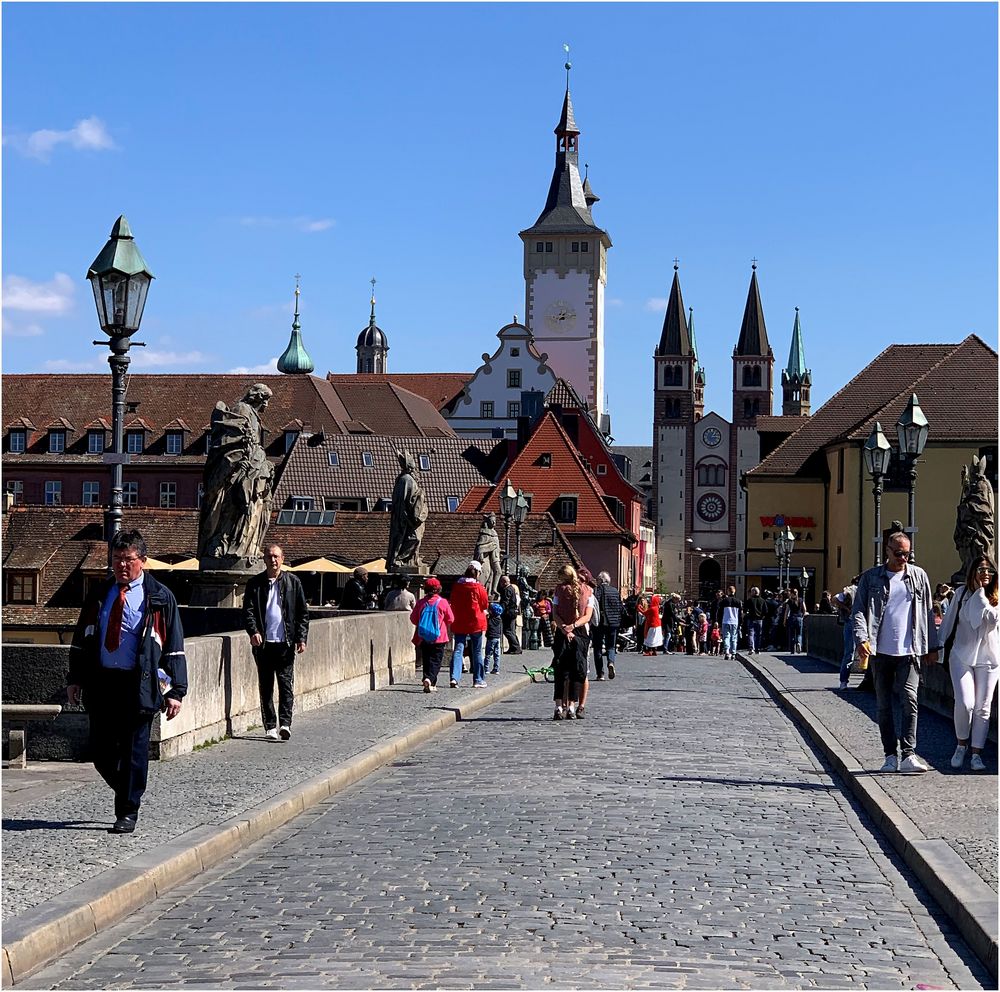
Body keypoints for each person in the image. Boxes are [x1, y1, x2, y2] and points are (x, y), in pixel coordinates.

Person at [67, 530, 187, 834]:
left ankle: (127, 811)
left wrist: (175, 691)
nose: (122, 565)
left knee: (135, 749)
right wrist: (75, 678)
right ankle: (128, 788)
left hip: (141, 682)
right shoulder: (100, 594)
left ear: (142, 561)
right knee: (100, 750)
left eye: (128, 559)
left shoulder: (160, 597)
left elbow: (173, 646)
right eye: (117, 559)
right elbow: (82, 640)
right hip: (103, 681)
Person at [852, 532, 939, 774]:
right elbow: (858, 611)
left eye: (907, 553)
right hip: (880, 651)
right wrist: (862, 638)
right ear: (887, 551)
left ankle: (909, 754)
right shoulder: (871, 578)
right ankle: (890, 755)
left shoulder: (918, 576)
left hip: (910, 650)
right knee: (883, 704)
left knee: (910, 698)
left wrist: (932, 647)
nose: (903, 558)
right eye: (898, 553)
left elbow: (927, 613)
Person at [198, 383, 275, 564]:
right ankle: (226, 542)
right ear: (257, 397)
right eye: (266, 400)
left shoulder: (254, 414)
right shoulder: (242, 409)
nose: (267, 405)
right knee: (237, 504)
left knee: (255, 505)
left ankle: (247, 545)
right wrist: (245, 457)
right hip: (241, 468)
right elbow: (235, 438)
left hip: (255, 466)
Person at [937, 556, 999, 771]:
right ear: (972, 571)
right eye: (981, 569)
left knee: (983, 707)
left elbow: (992, 622)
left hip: (989, 659)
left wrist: (982, 595)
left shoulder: (996, 598)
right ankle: (961, 745)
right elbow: (948, 623)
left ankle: (976, 754)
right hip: (961, 655)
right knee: (965, 703)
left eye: (990, 570)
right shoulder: (961, 594)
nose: (985, 573)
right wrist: (936, 647)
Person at [243, 544, 309, 742]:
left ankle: (285, 724)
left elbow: (302, 613)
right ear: (264, 559)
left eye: (276, 556)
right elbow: (248, 611)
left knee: (286, 684)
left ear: (282, 559)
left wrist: (301, 637)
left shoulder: (293, 582)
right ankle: (270, 726)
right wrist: (253, 631)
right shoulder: (255, 583)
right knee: (266, 686)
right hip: (263, 644)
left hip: (285, 643)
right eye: (270, 556)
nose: (273, 560)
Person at [550, 565, 594, 720]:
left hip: (563, 632)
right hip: (580, 633)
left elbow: (554, 613)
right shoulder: (588, 591)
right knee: (577, 671)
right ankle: (571, 707)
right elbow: (588, 616)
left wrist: (565, 629)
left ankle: (558, 707)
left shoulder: (559, 590)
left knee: (561, 670)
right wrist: (573, 627)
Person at [410, 577, 454, 693]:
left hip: (423, 636)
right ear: (438, 589)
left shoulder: (421, 603)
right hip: (439, 637)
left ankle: (427, 679)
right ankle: (430, 680)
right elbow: (451, 619)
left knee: (427, 659)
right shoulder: (443, 602)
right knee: (436, 660)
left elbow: (413, 619)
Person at [387, 450, 428, 571]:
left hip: (412, 517)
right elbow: (403, 501)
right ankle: (401, 558)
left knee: (415, 538)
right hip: (407, 518)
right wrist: (407, 516)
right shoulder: (406, 480)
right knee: (414, 538)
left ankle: (410, 559)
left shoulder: (409, 478)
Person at [449, 561, 489, 688]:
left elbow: (453, 601)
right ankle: (478, 679)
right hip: (475, 622)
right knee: (476, 651)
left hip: (460, 621)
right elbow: (484, 605)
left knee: (458, 649)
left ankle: (454, 677)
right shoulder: (479, 588)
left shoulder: (457, 586)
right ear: (477, 573)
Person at [592, 572, 622, 681]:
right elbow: (620, 607)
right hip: (613, 623)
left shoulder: (596, 591)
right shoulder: (615, 591)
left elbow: (593, 606)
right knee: (611, 646)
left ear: (600, 580)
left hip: (599, 623)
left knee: (598, 647)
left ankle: (600, 674)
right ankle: (611, 662)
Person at [834, 576, 860, 690]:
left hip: (850, 621)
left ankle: (843, 681)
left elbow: (834, 599)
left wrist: (845, 608)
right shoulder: (855, 589)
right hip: (858, 622)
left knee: (849, 653)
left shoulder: (850, 590)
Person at [498, 576, 522, 654]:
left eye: (501, 582)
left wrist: (500, 610)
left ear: (504, 582)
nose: (500, 584)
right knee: (511, 631)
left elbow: (505, 602)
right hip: (512, 613)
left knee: (507, 631)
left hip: (509, 613)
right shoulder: (512, 588)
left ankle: (516, 647)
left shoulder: (507, 590)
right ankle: (514, 647)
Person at [718, 585, 742, 660]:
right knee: (734, 638)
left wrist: (719, 622)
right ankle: (733, 653)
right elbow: (740, 614)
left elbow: (720, 613)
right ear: (734, 591)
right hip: (735, 621)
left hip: (725, 621)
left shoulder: (724, 601)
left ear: (728, 591)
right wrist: (740, 623)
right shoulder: (738, 601)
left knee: (726, 637)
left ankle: (727, 651)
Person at [743, 586, 767, 655]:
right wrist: (762, 616)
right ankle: (757, 649)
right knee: (758, 635)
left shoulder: (749, 600)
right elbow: (765, 611)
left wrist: (745, 615)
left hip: (751, 619)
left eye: (751, 591)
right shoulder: (762, 600)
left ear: (753, 592)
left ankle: (751, 648)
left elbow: (745, 609)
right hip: (759, 620)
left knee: (751, 634)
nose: (750, 593)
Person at [783, 589, 807, 654]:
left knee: (792, 634)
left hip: (792, 618)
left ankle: (792, 649)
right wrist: (802, 616)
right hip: (799, 618)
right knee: (799, 633)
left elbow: (786, 611)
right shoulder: (801, 600)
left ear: (791, 594)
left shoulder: (789, 601)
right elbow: (805, 609)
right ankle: (799, 643)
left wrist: (784, 621)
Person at [485, 601, 504, 676]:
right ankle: (496, 669)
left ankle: (486, 668)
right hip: (498, 638)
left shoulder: (490, 620)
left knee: (488, 654)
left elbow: (488, 626)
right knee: (497, 654)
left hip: (491, 638)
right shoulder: (499, 619)